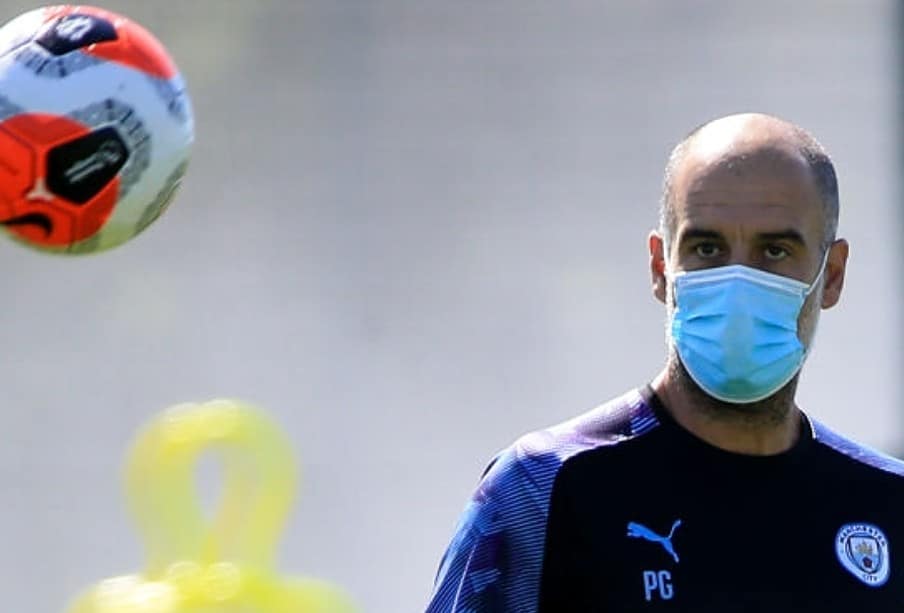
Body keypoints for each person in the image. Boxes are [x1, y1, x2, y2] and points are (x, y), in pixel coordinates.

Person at [424, 112, 904, 612]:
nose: (737, 281)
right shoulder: (543, 489)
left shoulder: (890, 506)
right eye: (707, 248)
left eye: (775, 251)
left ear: (832, 276)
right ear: (660, 267)